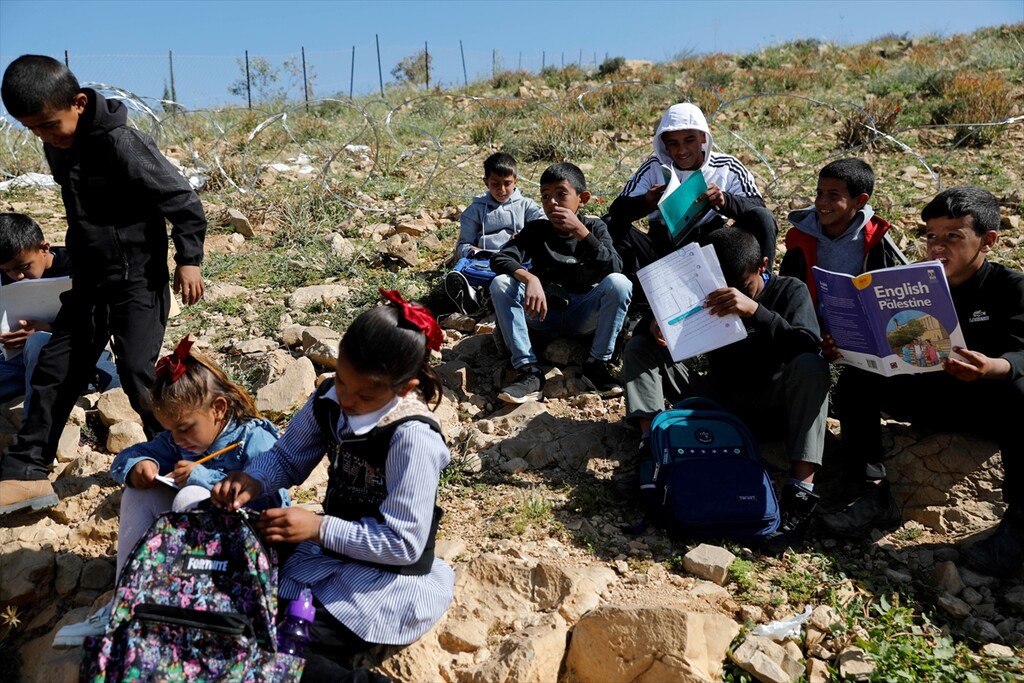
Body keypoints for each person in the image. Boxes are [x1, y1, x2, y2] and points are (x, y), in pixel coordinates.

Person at [211, 290, 453, 682]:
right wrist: (254, 479)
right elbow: (287, 457)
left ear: (405, 389)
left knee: (287, 653)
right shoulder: (329, 400)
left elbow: (404, 543)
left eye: (364, 394)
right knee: (236, 582)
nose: (347, 399)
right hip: (332, 550)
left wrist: (319, 528)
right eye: (341, 380)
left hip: (386, 578)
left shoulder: (412, 438)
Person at [0, 55, 206, 516]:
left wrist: (189, 260)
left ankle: (183, 461)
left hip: (137, 282)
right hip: (90, 283)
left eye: (49, 125)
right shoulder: (60, 146)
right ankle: (25, 473)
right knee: (55, 368)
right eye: (33, 130)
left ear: (78, 103)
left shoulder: (121, 142)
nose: (45, 137)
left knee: (137, 372)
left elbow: (181, 199)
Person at [821, 186, 1024, 578]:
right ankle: (871, 488)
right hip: (929, 393)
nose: (938, 247)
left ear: (988, 241)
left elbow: (1021, 352)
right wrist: (846, 348)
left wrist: (992, 367)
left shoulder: (1011, 288)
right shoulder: (910, 286)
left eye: (953, 236)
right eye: (931, 236)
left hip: (986, 405)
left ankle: (1019, 523)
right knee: (856, 378)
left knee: (1020, 389)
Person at [51, 336, 286, 648]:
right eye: (170, 430)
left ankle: (190, 608)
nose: (177, 439)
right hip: (199, 553)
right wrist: (140, 465)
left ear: (218, 408)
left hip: (248, 560)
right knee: (139, 493)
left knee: (190, 497)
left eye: (185, 428)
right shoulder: (181, 441)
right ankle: (127, 601)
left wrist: (202, 478)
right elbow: (126, 458)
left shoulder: (254, 439)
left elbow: (273, 500)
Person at [621, 227, 829, 551]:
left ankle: (800, 494)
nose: (729, 294)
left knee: (811, 366)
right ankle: (652, 456)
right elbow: (653, 327)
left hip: (769, 403)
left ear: (763, 265)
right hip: (715, 402)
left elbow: (807, 346)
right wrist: (652, 325)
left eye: (741, 286)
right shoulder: (704, 287)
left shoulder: (790, 291)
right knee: (639, 348)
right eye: (721, 287)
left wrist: (755, 311)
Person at [489, 162, 632, 402]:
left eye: (561, 194)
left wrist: (582, 234)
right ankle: (528, 371)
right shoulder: (537, 230)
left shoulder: (595, 227)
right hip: (542, 314)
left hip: (583, 315)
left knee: (619, 283)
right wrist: (529, 277)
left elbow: (615, 267)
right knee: (501, 283)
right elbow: (500, 258)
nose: (552, 203)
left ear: (582, 199)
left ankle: (597, 365)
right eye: (545, 196)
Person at [604, 102, 778, 282]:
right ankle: (637, 290)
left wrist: (724, 201)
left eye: (689, 140)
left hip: (712, 251)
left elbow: (758, 207)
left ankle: (762, 288)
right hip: (661, 252)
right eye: (673, 143)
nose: (682, 151)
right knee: (611, 223)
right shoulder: (654, 167)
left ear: (703, 137)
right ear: (664, 144)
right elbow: (616, 209)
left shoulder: (726, 167)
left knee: (762, 217)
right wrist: (645, 202)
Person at [0, 213, 120, 408]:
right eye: (7, 270)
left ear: (44, 248)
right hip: (15, 358)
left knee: (38, 342)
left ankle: (35, 417)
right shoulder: (5, 274)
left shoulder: (78, 267)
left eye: (24, 266)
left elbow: (102, 319)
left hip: (69, 350)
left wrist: (47, 328)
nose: (17, 275)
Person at [779, 158, 906, 308]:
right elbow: (788, 292)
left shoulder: (875, 239)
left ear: (860, 201)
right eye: (819, 193)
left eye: (833, 195)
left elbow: (886, 294)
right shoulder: (801, 238)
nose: (822, 202)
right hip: (810, 320)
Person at [444, 152, 545, 316]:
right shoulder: (475, 210)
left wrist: (526, 236)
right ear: (486, 182)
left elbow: (543, 226)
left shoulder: (526, 205)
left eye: (507, 183)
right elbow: (462, 245)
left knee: (533, 266)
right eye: (495, 184)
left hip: (515, 260)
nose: (502, 189)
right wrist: (471, 251)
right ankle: (475, 295)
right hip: (485, 260)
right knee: (463, 264)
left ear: (515, 181)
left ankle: (480, 296)